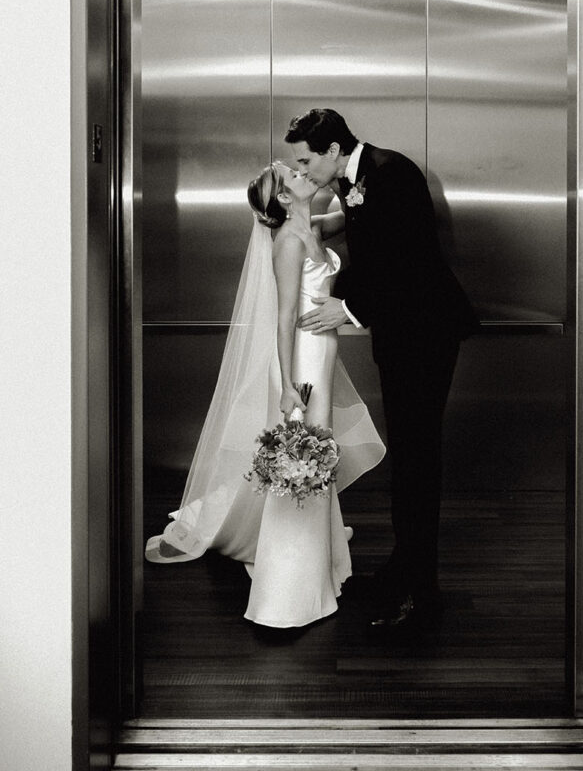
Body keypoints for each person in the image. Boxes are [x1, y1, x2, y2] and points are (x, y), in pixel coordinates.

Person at [145, 160, 385, 628]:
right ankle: (289, 588)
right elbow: (282, 319)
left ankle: (323, 557)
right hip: (303, 359)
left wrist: (337, 178)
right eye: (288, 174)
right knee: (306, 453)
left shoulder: (311, 226)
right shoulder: (289, 243)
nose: (298, 170)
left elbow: (351, 213)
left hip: (322, 354)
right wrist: (288, 385)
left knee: (322, 450)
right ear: (283, 199)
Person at [285, 109, 479, 631]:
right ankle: (403, 567)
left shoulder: (392, 172)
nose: (301, 170)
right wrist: (313, 222)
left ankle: (422, 592)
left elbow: (408, 258)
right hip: (401, 335)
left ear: (331, 150)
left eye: (305, 160)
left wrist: (347, 309)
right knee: (409, 456)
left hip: (426, 333)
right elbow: (366, 227)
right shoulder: (357, 176)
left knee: (418, 459)